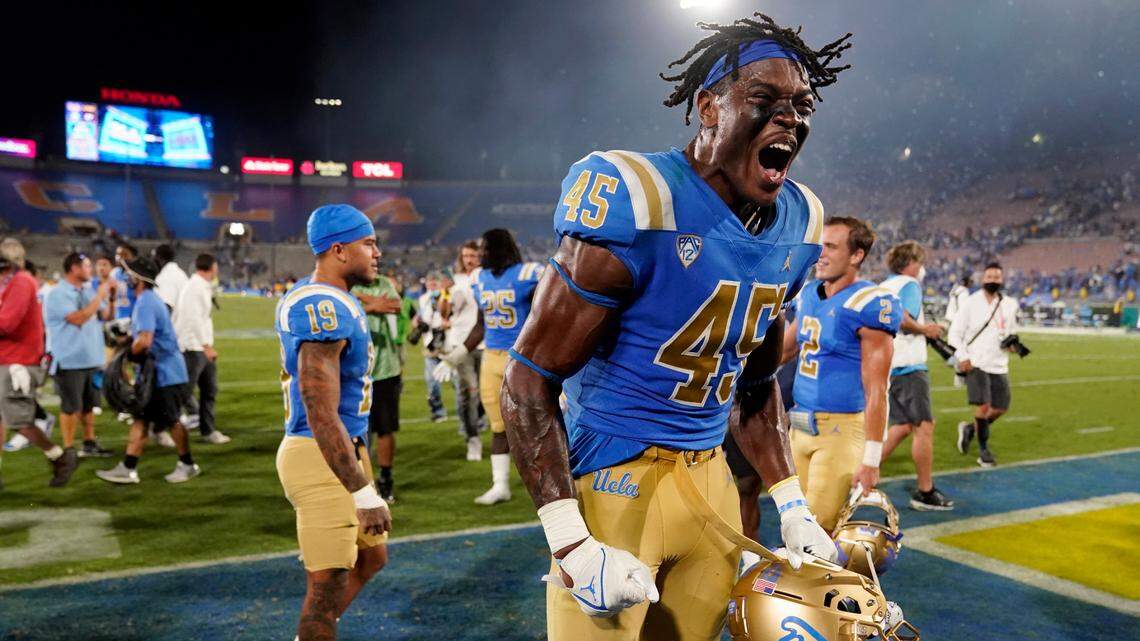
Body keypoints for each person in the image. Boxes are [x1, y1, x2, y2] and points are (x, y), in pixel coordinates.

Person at [501, 14, 848, 639]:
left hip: (712, 484)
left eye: (801, 106)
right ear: (708, 107)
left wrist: (790, 503)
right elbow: (527, 379)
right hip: (613, 482)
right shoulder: (637, 196)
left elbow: (756, 379)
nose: (789, 119)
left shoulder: (801, 219)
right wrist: (570, 543)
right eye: (764, 100)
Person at [274, 204, 391, 641]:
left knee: (372, 558)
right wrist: (361, 491)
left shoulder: (330, 296)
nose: (377, 252)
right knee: (324, 593)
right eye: (368, 243)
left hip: (342, 448)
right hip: (319, 454)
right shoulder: (321, 304)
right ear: (339, 250)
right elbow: (319, 408)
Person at [781, 217, 901, 530]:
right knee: (792, 526)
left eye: (831, 247)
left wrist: (872, 459)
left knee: (816, 533)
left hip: (839, 432)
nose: (820, 253)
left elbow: (877, 389)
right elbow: (785, 350)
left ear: (856, 256)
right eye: (820, 245)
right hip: (798, 426)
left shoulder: (869, 303)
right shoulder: (809, 294)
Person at [437, 228, 543, 505]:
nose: (480, 254)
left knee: (536, 423)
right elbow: (482, 325)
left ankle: (554, 481)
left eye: (485, 248)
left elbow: (545, 318)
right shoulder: (480, 279)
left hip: (521, 359)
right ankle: (500, 485)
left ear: (499, 249)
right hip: (490, 359)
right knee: (498, 426)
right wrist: (456, 354)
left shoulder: (528, 274)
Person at [95, 257, 199, 484]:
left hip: (165, 374)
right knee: (141, 419)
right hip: (163, 372)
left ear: (138, 280)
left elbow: (144, 341)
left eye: (130, 275)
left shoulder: (145, 302)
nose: (127, 279)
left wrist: (127, 354)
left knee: (171, 420)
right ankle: (128, 467)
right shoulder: (149, 300)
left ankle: (188, 464)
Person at [879, 241, 954, 510]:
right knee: (924, 426)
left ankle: (861, 479)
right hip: (908, 365)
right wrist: (926, 329)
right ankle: (925, 490)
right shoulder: (909, 285)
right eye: (920, 263)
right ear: (911, 262)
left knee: (901, 427)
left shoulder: (884, 286)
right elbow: (902, 318)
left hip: (888, 364)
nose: (922, 268)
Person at [0, 238, 79, 488]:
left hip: (17, 363)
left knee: (19, 421)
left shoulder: (21, 283)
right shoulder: (14, 283)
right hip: (9, 359)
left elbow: (6, 324)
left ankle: (58, 456)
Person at [949, 261, 1020, 468]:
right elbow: (955, 333)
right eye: (989, 277)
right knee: (984, 405)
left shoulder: (1009, 304)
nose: (993, 281)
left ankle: (970, 429)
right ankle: (983, 451)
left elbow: (1011, 332)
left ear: (1002, 279)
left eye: (996, 277)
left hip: (999, 363)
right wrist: (963, 357)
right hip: (976, 362)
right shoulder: (971, 303)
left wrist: (1013, 345)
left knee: (1001, 407)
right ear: (982, 279)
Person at [43, 252, 114, 458]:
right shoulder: (58, 293)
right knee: (71, 407)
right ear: (74, 268)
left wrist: (110, 298)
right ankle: (68, 448)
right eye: (87, 266)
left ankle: (89, 442)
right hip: (69, 359)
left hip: (91, 357)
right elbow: (77, 318)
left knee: (89, 405)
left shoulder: (88, 290)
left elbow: (106, 315)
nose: (91, 270)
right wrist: (100, 295)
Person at [352, 271, 406, 503]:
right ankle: (360, 481)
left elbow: (395, 306)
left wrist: (363, 301)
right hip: (356, 371)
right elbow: (346, 313)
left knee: (386, 428)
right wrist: (374, 304)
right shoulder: (348, 285)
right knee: (355, 431)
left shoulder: (383, 283)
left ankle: (386, 479)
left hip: (386, 369)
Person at [173, 253, 230, 444]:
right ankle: (159, 427)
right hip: (193, 348)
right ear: (212, 267)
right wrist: (206, 346)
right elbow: (193, 318)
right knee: (183, 393)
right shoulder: (195, 287)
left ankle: (208, 431)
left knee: (209, 390)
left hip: (201, 347)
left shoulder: (200, 286)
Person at [440, 241, 483, 441]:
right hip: (460, 343)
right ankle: (471, 437)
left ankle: (476, 421)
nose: (468, 260)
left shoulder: (487, 276)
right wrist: (445, 292)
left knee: (486, 392)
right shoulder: (455, 280)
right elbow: (445, 314)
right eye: (465, 256)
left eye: (472, 256)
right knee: (468, 392)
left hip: (486, 342)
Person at [415, 271, 447, 422]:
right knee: (431, 381)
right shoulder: (422, 299)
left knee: (459, 382)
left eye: (435, 281)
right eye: (430, 281)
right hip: (430, 344)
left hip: (447, 343)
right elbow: (422, 318)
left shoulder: (447, 295)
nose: (432, 284)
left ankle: (475, 415)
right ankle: (438, 410)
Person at [153, 244, 189, 310]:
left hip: (174, 319)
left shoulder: (166, 276)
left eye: (155, 258)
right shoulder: (180, 273)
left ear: (159, 257)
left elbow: (166, 305)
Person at [112, 243, 139, 321]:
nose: (119, 257)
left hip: (133, 319)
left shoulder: (139, 275)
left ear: (133, 257)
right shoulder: (114, 273)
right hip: (117, 319)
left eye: (124, 254)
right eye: (117, 254)